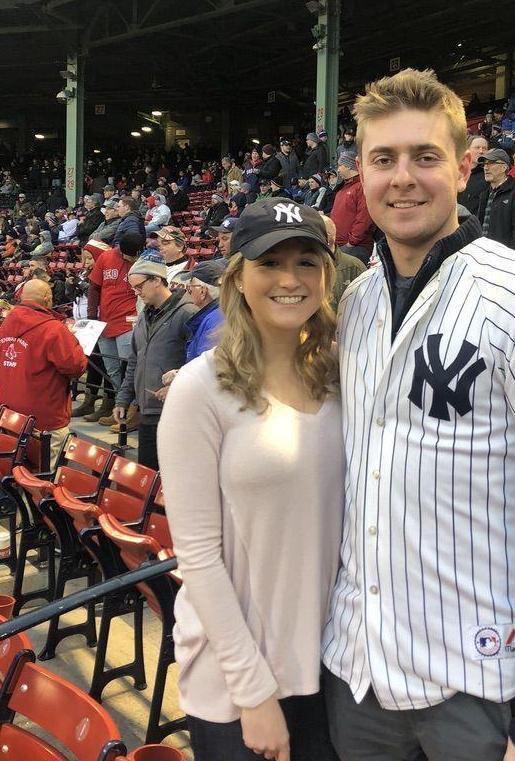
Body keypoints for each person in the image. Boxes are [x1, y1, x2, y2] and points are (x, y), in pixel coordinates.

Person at [322, 67, 515, 761]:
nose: (403, 177)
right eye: (383, 159)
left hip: (479, 687)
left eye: (425, 157)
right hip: (357, 674)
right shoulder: (356, 303)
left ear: (462, 168)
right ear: (359, 176)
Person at [157, 198, 342, 761]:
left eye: (307, 262)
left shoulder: (341, 373)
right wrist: (253, 691)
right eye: (270, 263)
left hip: (332, 666)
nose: (290, 280)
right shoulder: (200, 388)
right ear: (237, 277)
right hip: (241, 679)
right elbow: (197, 558)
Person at [114, 256, 197, 469]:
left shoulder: (187, 313)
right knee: (147, 475)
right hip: (147, 410)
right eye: (133, 288)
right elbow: (134, 360)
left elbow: (199, 361)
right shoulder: (144, 315)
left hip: (176, 411)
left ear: (157, 280)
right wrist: (123, 399)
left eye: (139, 286)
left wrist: (177, 384)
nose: (137, 292)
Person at [0, 280, 87, 459]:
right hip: (45, 418)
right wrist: (74, 342)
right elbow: (76, 366)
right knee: (44, 478)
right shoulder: (54, 329)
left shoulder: (6, 323)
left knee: (14, 471)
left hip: (9, 413)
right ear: (47, 298)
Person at [88, 231, 141, 426]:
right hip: (105, 322)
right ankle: (121, 408)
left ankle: (133, 410)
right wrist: (92, 316)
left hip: (127, 322)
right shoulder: (106, 257)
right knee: (112, 371)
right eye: (128, 255)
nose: (130, 258)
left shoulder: (140, 261)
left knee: (128, 368)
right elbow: (94, 287)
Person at [475, 148, 515, 254]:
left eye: (491, 163)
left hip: (507, 259)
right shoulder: (484, 194)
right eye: (485, 164)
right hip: (484, 254)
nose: (486, 168)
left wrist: (511, 258)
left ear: (504, 167)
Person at [178, 259, 226, 362]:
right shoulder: (218, 314)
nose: (188, 291)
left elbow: (208, 368)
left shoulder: (214, 321)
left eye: (191, 287)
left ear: (203, 292)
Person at [330, 154, 374, 264]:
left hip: (355, 247)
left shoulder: (361, 187)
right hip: (341, 246)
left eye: (340, 165)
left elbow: (364, 217)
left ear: (349, 166)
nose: (338, 170)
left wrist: (352, 241)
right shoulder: (343, 188)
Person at [457, 134, 489, 214]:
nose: (481, 151)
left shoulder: (488, 175)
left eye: (484, 148)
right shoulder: (455, 172)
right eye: (477, 147)